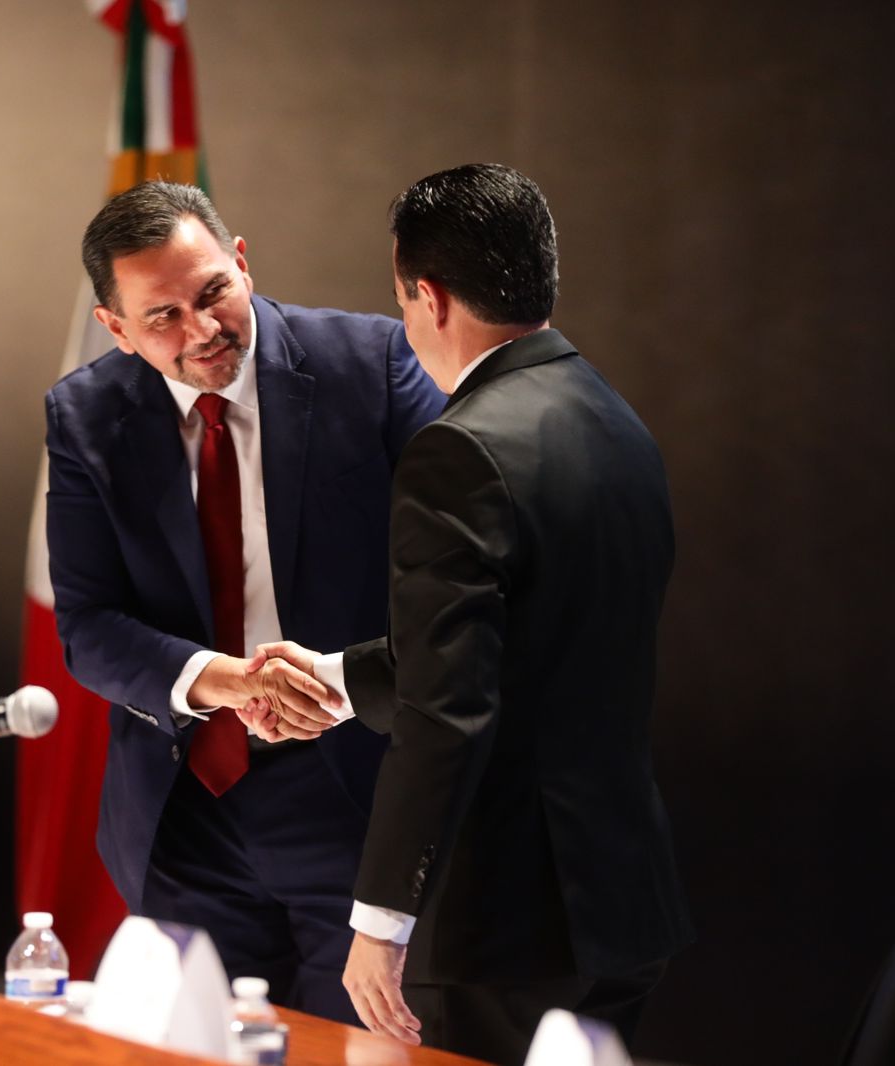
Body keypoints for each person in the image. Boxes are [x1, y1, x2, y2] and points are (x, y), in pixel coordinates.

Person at [241, 163, 694, 1063]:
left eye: (402, 301)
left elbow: (450, 711)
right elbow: (524, 648)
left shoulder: (459, 449)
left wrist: (380, 920)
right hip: (620, 902)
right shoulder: (619, 424)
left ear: (432, 297)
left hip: (502, 929)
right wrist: (332, 680)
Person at [43, 180, 444, 1022]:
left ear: (242, 261)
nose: (202, 330)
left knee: (360, 1049)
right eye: (162, 316)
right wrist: (227, 682)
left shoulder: (372, 363)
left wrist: (334, 682)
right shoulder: (84, 416)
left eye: (213, 291)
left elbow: (452, 577)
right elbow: (87, 626)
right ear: (115, 328)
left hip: (354, 795)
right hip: (188, 813)